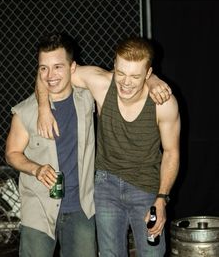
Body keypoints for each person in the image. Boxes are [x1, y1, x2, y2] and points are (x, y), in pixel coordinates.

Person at [37, 35, 180, 257]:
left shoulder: (164, 104)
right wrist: (44, 107)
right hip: (106, 184)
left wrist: (161, 199)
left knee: (152, 253)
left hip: (146, 188)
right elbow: (49, 74)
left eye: (135, 76)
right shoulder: (102, 84)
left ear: (148, 74)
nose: (125, 82)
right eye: (121, 73)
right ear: (114, 66)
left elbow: (172, 153)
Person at [5, 32, 97, 257]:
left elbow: (124, 78)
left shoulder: (87, 99)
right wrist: (35, 168)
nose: (50, 75)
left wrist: (151, 80)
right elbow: (12, 153)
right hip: (39, 210)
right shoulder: (25, 111)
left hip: (81, 207)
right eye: (43, 68)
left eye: (58, 67)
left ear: (72, 67)